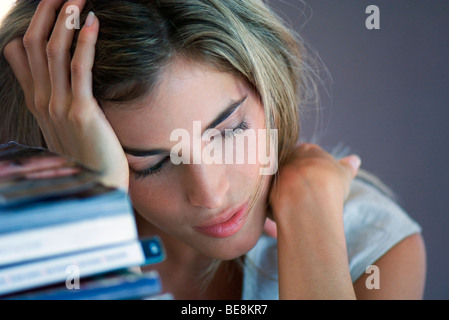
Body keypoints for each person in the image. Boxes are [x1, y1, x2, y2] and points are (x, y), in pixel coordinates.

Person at [0, 0, 425, 299]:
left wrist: (310, 209)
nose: (211, 194)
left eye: (230, 129)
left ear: (267, 87)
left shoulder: (374, 249)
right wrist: (94, 200)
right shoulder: (25, 249)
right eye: (151, 163)